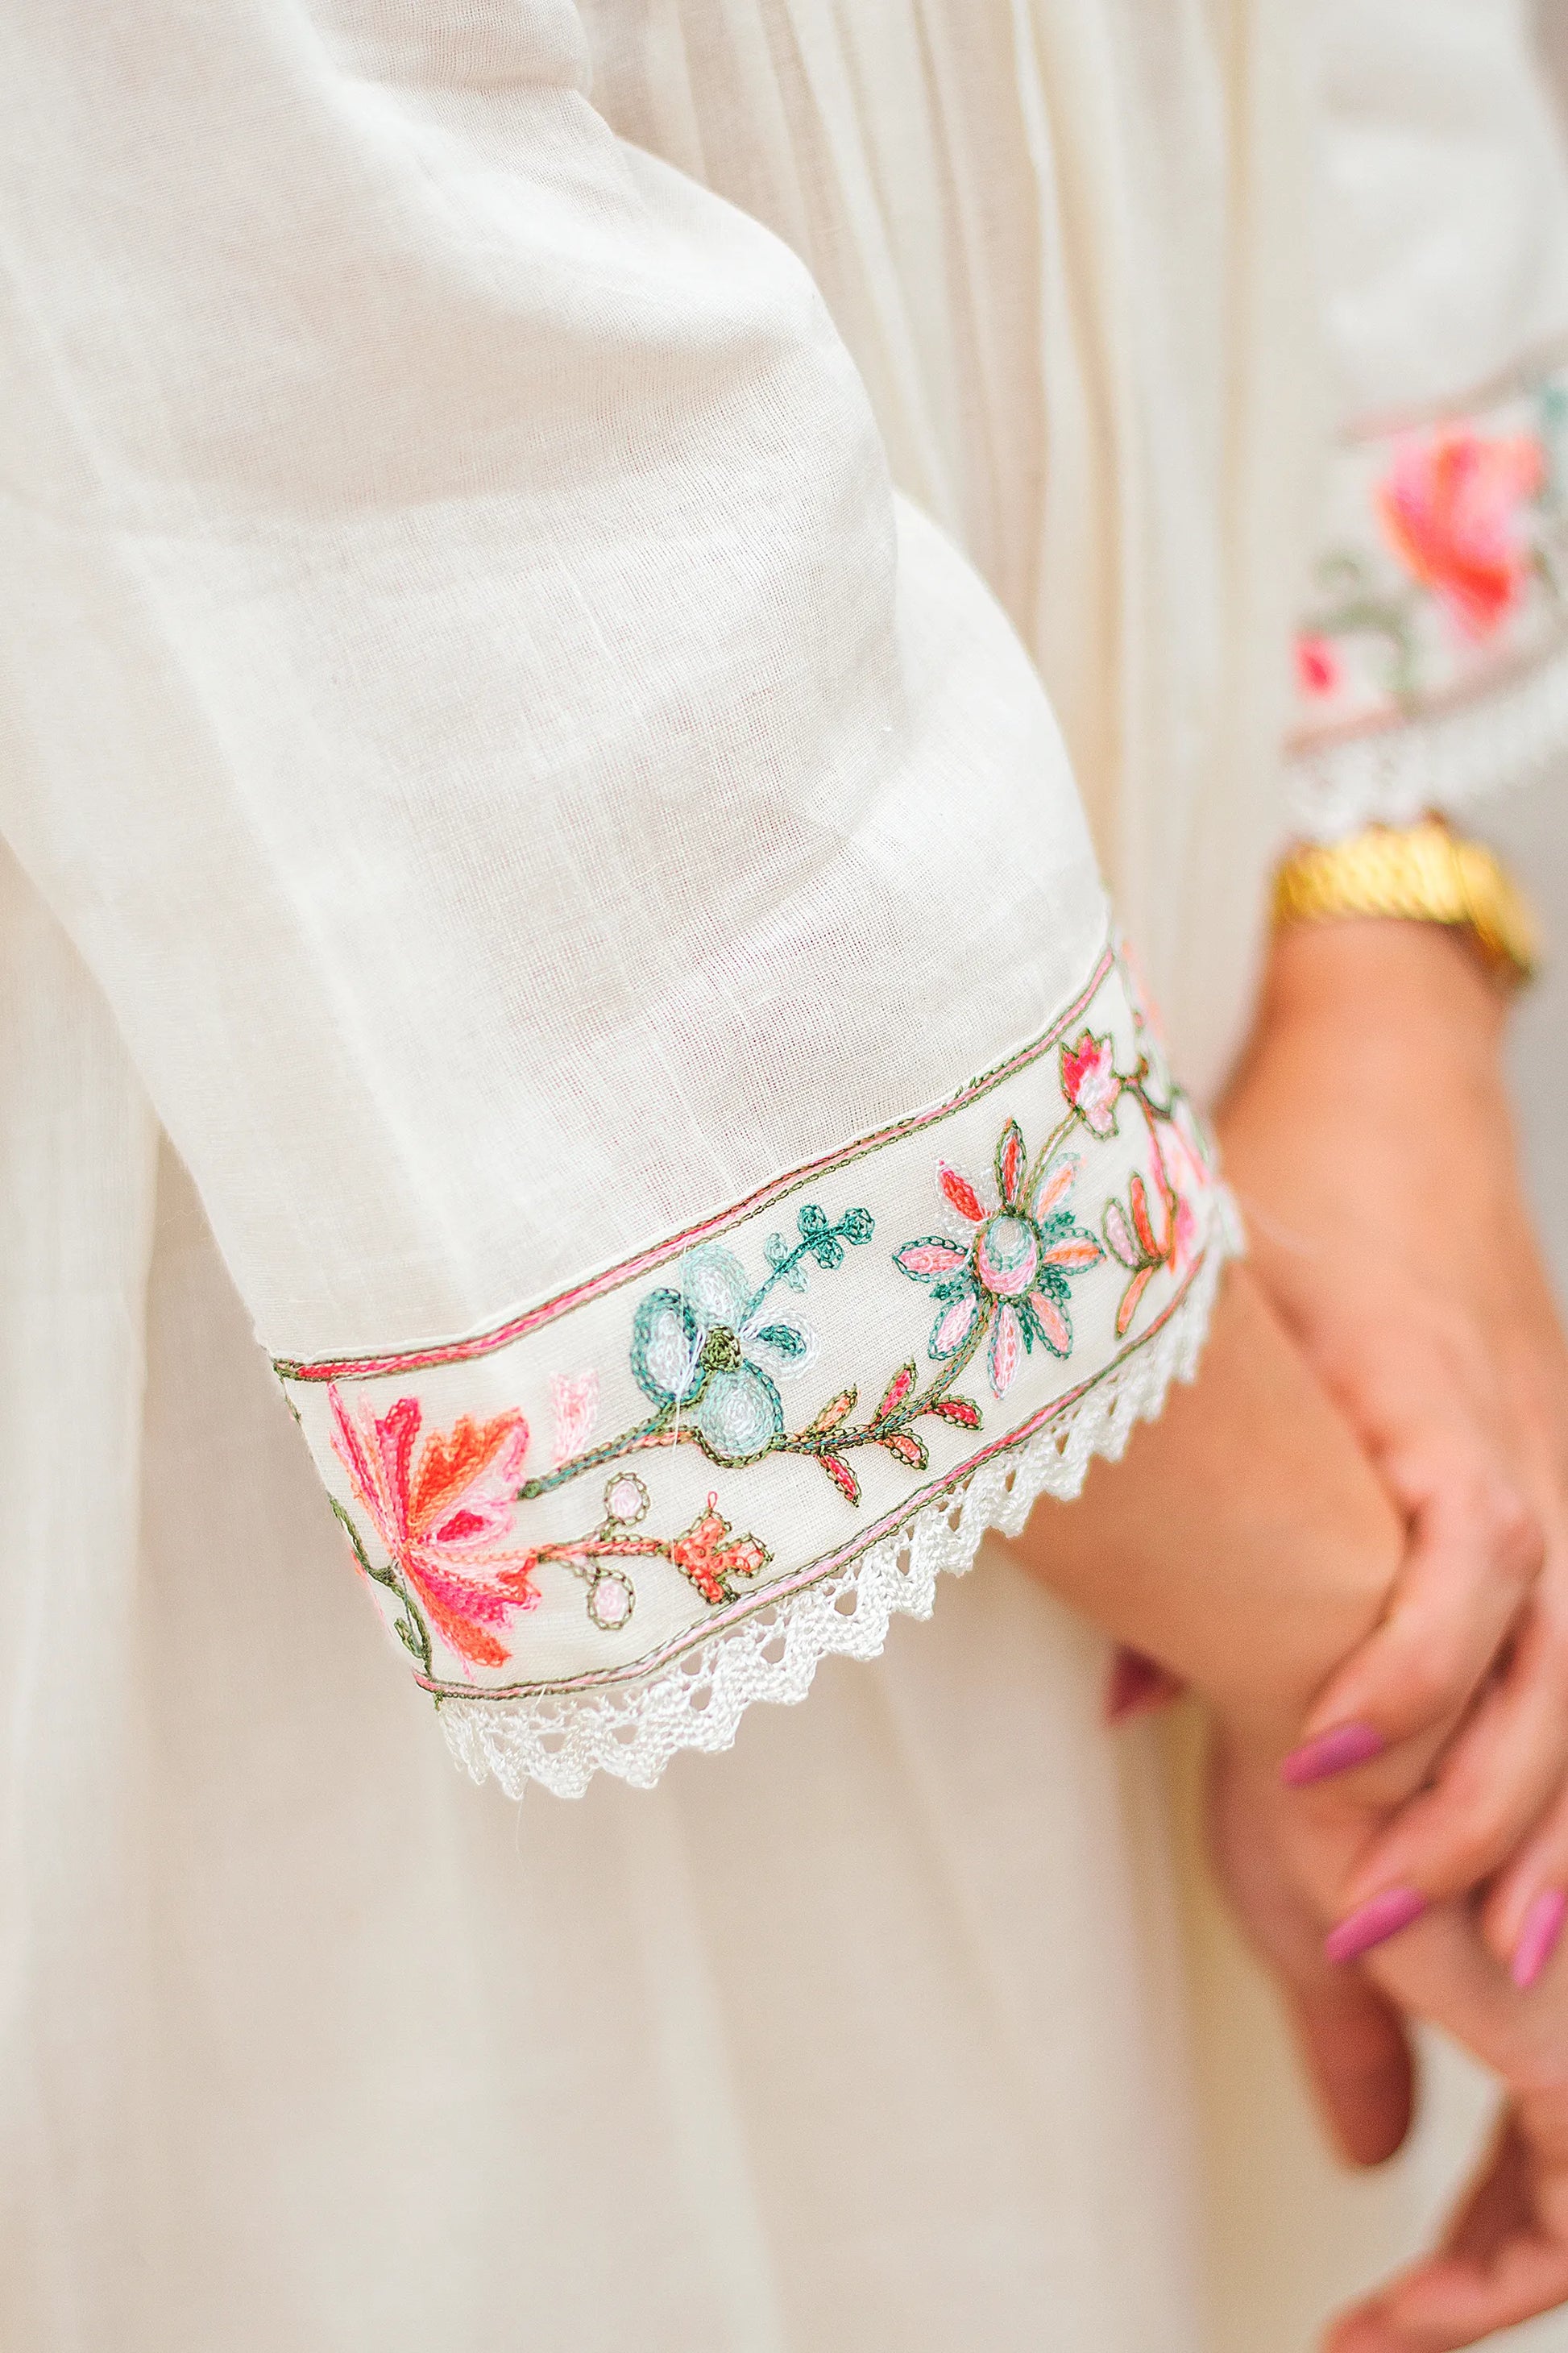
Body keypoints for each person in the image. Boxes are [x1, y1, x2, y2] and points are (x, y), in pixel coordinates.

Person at [4, 2, 1568, 2348]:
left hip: (1241, 1021)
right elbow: (294, 346)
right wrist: (1404, 1673)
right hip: (414, 1169)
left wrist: (1378, 973)